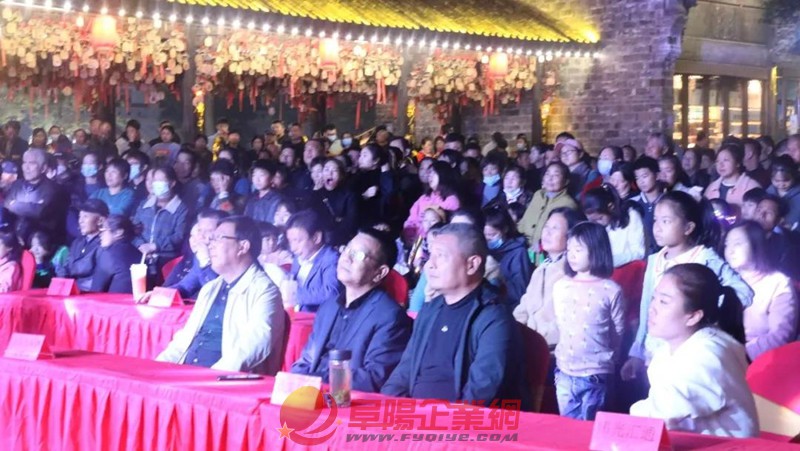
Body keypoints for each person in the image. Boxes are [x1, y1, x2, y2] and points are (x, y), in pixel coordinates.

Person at [382, 223, 528, 409]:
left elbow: (482, 391)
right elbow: (405, 370)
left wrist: (440, 422)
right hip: (416, 417)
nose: (430, 265)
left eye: (441, 256)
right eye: (430, 256)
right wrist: (385, 406)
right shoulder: (430, 310)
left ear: (471, 264)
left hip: (461, 422)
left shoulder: (493, 318)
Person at [621, 192, 753, 383]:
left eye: (666, 221)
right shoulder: (655, 260)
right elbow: (646, 307)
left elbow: (743, 292)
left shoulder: (704, 258)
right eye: (656, 220)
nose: (657, 227)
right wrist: (638, 352)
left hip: (689, 353)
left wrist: (708, 313)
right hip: (655, 350)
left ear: (688, 227)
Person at [630, 264, 758, 438]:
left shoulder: (709, 354)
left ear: (693, 316)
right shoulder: (665, 351)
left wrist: (630, 416)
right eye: (654, 298)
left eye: (664, 302)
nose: (652, 308)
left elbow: (667, 409)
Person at [157, 216, 286, 375]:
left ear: (243, 246)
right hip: (187, 373)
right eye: (211, 239)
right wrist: (158, 367)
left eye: (218, 238)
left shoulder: (264, 290)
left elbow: (254, 345)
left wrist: (210, 377)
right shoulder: (210, 289)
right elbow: (184, 339)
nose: (210, 245)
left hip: (223, 381)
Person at [291, 229, 413, 392]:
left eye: (358, 255)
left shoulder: (390, 316)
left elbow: (375, 377)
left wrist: (315, 382)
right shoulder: (328, 307)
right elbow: (306, 361)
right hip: (309, 394)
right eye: (346, 249)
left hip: (346, 400)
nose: (346, 258)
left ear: (379, 273)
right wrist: (295, 380)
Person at [553, 222, 624, 420]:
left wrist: (611, 358)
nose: (571, 255)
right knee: (567, 426)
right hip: (565, 369)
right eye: (569, 250)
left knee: (590, 427)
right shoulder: (561, 286)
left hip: (596, 372)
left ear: (596, 250)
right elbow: (561, 322)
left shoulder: (610, 289)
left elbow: (617, 330)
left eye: (578, 250)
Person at [724, 221, 798, 360]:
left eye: (737, 244)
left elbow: (779, 336)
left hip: (753, 360)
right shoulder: (726, 280)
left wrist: (736, 354)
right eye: (727, 244)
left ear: (756, 244)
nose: (730, 250)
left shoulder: (778, 283)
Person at [514, 207, 586, 347]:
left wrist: (533, 338)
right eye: (546, 226)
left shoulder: (573, 274)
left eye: (555, 228)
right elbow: (524, 306)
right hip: (529, 342)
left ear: (570, 236)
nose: (547, 232)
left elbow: (565, 324)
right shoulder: (541, 268)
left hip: (551, 348)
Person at [131, 166, 189, 275]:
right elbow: (133, 230)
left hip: (167, 260)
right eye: (155, 181)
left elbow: (179, 236)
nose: (156, 184)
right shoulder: (144, 205)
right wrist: (141, 246)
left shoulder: (181, 209)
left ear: (172, 183)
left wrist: (154, 246)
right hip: (141, 256)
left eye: (161, 181)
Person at [158, 209, 227, 300]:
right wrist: (160, 294)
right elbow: (185, 286)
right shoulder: (200, 255)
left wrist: (205, 261)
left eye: (208, 231)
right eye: (200, 230)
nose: (201, 236)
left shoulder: (227, 257)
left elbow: (217, 294)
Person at [4, 148, 66, 245]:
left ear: (43, 168)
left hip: (41, 243)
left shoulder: (53, 189)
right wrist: (30, 206)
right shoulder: (17, 185)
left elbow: (40, 212)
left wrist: (14, 204)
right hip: (13, 239)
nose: (26, 167)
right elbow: (6, 205)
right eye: (24, 162)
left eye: (32, 163)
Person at [286, 210, 342, 312]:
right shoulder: (298, 257)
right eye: (290, 241)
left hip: (316, 317)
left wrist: (294, 295)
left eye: (297, 241)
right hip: (296, 313)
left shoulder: (331, 259)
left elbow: (332, 293)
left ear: (316, 238)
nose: (293, 248)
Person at [518, 162, 578, 251]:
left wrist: (541, 245)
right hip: (523, 245)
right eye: (547, 174)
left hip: (544, 250)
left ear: (566, 181)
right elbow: (525, 219)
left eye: (556, 175)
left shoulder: (568, 203)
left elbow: (567, 234)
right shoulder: (538, 194)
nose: (550, 179)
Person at [583, 185, 645, 267]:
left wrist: (611, 260)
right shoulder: (596, 225)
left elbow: (639, 252)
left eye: (600, 218)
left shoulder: (631, 216)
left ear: (610, 207)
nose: (597, 223)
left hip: (627, 268)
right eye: (592, 221)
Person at [483, 208, 532, 308]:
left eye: (492, 235)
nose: (488, 239)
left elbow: (519, 292)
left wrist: (497, 280)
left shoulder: (518, 253)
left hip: (505, 306)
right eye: (485, 235)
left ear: (505, 229)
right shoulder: (483, 248)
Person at [55, 199, 108, 291]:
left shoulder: (104, 244)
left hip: (89, 293)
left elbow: (94, 275)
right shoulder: (77, 242)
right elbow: (66, 266)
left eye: (85, 217)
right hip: (71, 290)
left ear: (100, 220)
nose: (80, 221)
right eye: (80, 216)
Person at [403, 161, 460, 243]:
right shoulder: (424, 197)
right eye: (429, 173)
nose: (430, 176)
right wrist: (409, 233)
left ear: (443, 175)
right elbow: (412, 218)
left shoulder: (451, 200)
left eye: (434, 173)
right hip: (414, 240)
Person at [90, 215, 142, 293]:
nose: (100, 234)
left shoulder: (108, 254)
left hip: (114, 300)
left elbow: (95, 289)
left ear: (118, 232)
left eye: (104, 229)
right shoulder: (139, 253)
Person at [754, 194, 800, 280]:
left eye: (769, 213)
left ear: (779, 220)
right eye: (759, 210)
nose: (761, 215)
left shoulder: (786, 248)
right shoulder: (741, 233)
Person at [314, 158, 359, 247]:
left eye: (334, 171)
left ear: (341, 176)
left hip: (338, 240)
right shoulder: (316, 193)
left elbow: (351, 222)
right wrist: (315, 191)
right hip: (317, 239)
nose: (330, 173)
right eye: (326, 170)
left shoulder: (349, 195)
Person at [704, 143, 761, 207]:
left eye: (726, 160)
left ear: (737, 163)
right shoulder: (712, 187)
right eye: (717, 161)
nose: (721, 165)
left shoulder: (751, 186)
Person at [632, 157, 664, 255]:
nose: (641, 181)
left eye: (644, 176)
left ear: (657, 176)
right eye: (637, 178)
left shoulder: (669, 202)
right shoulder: (632, 203)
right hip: (640, 255)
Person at [174, 147, 212, 216]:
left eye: (186, 163)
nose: (181, 166)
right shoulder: (171, 184)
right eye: (178, 162)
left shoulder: (199, 188)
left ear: (194, 166)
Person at [766, 155, 800, 230]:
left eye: (786, 180)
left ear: (794, 176)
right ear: (771, 178)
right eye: (777, 181)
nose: (781, 184)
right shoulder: (769, 192)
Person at [244, 160, 282, 224]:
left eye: (261, 175)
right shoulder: (251, 199)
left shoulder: (278, 200)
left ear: (272, 177)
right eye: (254, 175)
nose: (257, 179)